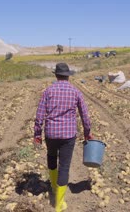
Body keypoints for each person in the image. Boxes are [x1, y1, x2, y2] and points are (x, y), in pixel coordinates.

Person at [34, 63, 93, 212]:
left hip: (51, 133)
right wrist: (87, 132)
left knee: (51, 158)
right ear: (68, 75)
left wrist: (37, 134)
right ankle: (59, 205)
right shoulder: (75, 91)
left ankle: (54, 188)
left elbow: (39, 114)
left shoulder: (48, 91)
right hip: (68, 135)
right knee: (64, 167)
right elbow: (85, 115)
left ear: (56, 75)